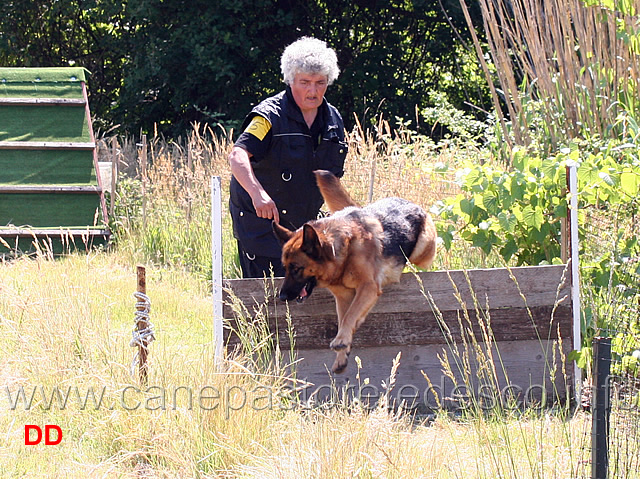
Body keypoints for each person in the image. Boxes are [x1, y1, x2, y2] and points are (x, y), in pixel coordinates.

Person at [228, 36, 348, 278]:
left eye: (320, 83)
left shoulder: (333, 120)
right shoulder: (267, 116)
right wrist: (257, 193)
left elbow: (332, 178)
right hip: (262, 227)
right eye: (305, 82)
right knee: (267, 299)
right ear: (291, 80)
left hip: (305, 227)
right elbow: (237, 155)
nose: (312, 91)